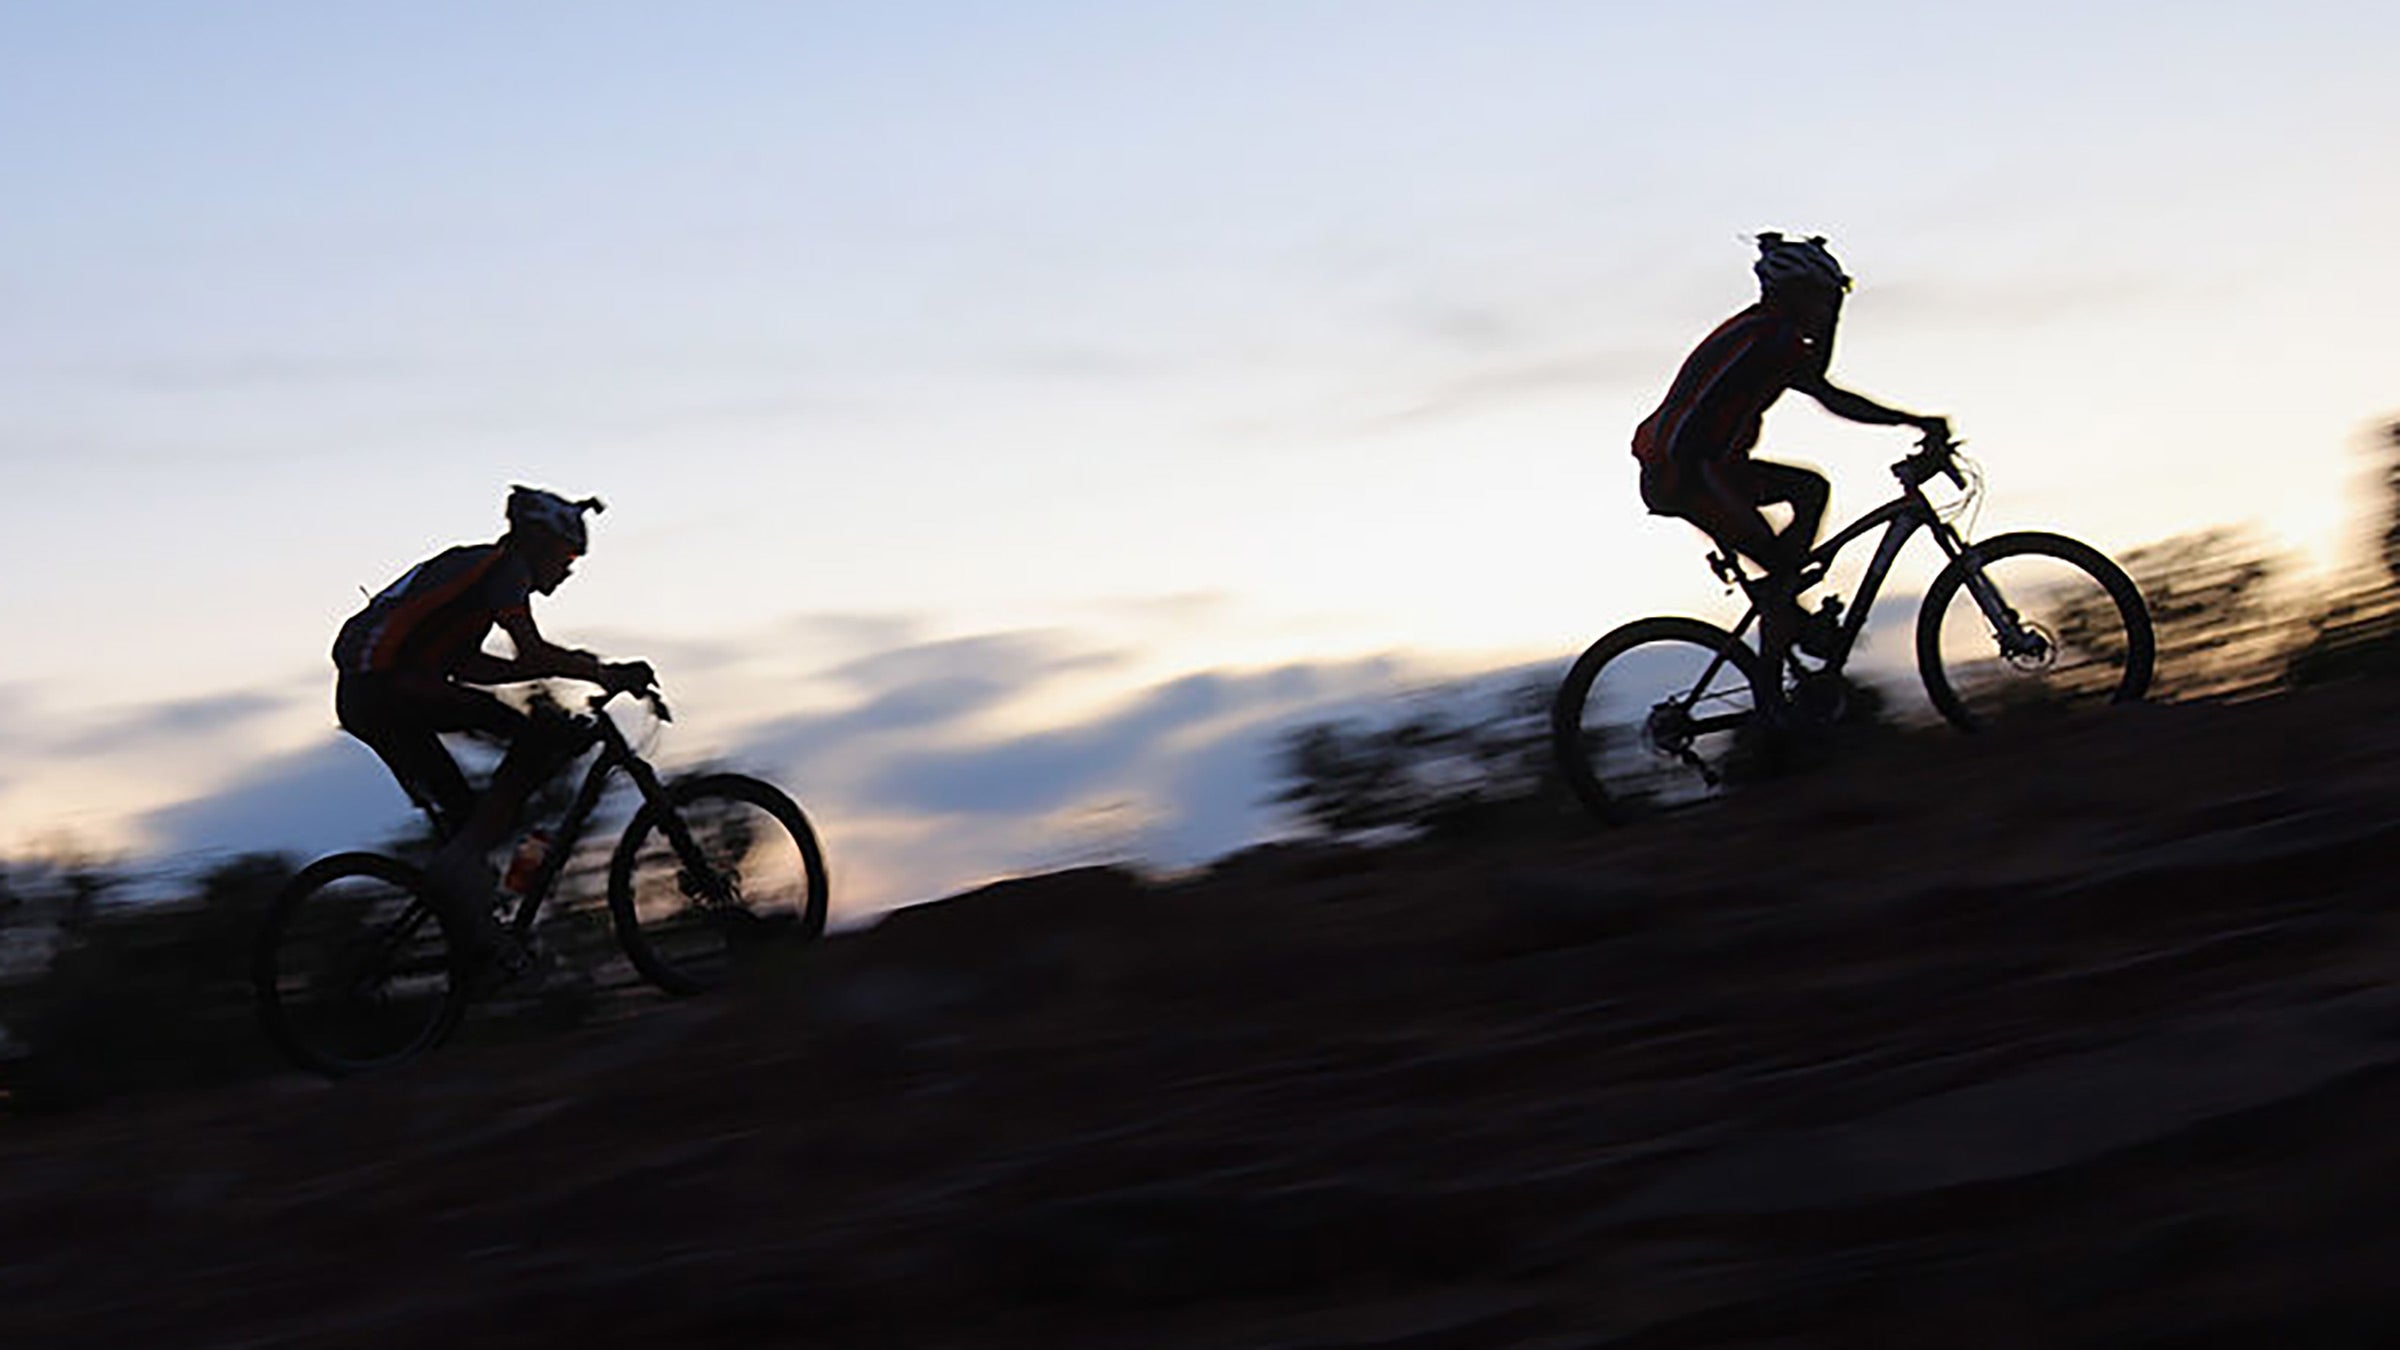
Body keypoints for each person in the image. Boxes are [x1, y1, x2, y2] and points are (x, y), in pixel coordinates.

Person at [332, 485, 652, 972]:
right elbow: (532, 652)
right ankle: (470, 886)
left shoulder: (481, 575)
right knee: (532, 737)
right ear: (539, 542)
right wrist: (603, 672)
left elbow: (469, 665)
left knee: (474, 821)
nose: (569, 568)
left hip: (374, 693)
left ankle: (479, 927)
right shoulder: (506, 571)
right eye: (567, 553)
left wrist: (552, 670)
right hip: (389, 689)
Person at [1633, 232, 1949, 670]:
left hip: (1710, 468)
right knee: (1784, 570)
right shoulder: (1768, 336)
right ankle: (1776, 673)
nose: (1827, 308)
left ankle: (1788, 624)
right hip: (1686, 473)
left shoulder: (1769, 332)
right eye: (1823, 298)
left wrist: (1905, 418)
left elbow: (1818, 380)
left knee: (1809, 493)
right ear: (1796, 294)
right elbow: (1823, 386)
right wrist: (1911, 420)